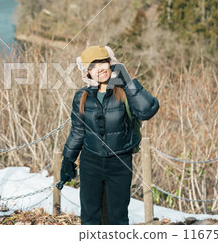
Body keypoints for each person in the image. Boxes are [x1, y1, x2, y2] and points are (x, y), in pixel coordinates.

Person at [60, 45, 160, 225]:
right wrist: (68, 160)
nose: (100, 69)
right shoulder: (81, 97)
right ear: (87, 72)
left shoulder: (124, 91)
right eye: (93, 66)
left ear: (111, 63)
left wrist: (127, 80)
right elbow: (77, 132)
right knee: (90, 217)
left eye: (103, 62)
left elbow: (147, 111)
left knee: (118, 217)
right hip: (90, 162)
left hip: (120, 163)